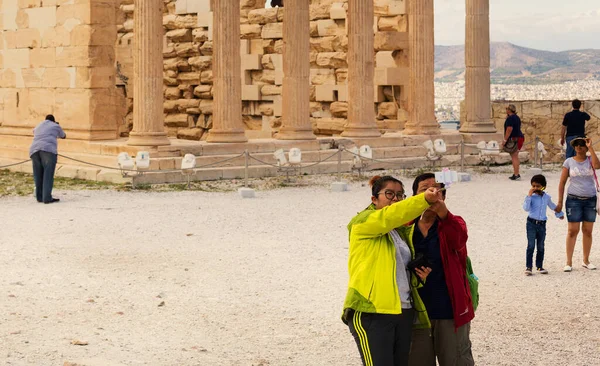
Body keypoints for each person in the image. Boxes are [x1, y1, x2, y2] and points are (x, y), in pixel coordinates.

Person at [343, 175, 442, 366]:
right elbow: (391, 215)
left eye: (399, 195)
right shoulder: (363, 222)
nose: (395, 199)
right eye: (389, 194)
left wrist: (418, 277)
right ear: (374, 199)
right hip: (372, 311)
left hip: (403, 310)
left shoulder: (398, 231)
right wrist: (423, 199)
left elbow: (397, 272)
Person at [403, 173, 475, 366]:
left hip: (449, 309)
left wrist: (444, 214)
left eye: (437, 188)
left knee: (457, 360)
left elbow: (458, 241)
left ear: (443, 196)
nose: (432, 192)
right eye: (425, 189)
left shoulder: (454, 222)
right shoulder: (405, 227)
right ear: (414, 198)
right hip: (417, 310)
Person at [555, 137, 599, 272]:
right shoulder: (568, 162)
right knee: (572, 230)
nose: (579, 147)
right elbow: (562, 183)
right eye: (576, 145)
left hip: (590, 199)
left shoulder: (591, 160)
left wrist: (590, 147)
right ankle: (568, 262)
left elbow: (598, 166)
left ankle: (586, 260)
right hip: (573, 199)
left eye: (582, 144)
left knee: (588, 231)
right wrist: (560, 201)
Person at [522, 174, 564, 276]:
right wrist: (529, 196)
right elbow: (526, 208)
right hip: (531, 223)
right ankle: (528, 267)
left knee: (540, 246)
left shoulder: (546, 197)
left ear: (543, 186)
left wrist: (559, 214)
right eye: (533, 186)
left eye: (538, 186)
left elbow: (552, 206)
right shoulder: (530, 197)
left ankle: (540, 266)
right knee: (531, 245)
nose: (535, 188)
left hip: (542, 225)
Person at [29, 114, 66, 204]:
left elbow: (34, 132)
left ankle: (39, 197)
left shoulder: (39, 125)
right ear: (53, 120)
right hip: (48, 150)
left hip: (34, 150)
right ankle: (47, 198)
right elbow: (63, 135)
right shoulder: (55, 126)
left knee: (38, 174)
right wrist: (57, 126)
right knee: (48, 174)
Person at [502, 104, 525, 181]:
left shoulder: (510, 119)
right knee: (515, 156)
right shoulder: (516, 117)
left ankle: (516, 174)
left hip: (514, 138)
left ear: (508, 110)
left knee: (514, 157)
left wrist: (505, 140)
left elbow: (509, 129)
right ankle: (516, 173)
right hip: (519, 137)